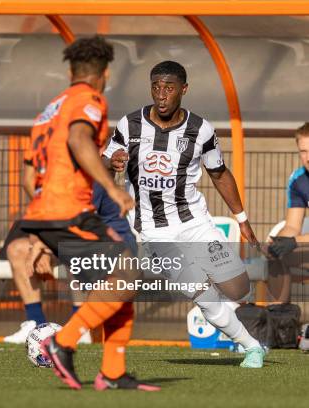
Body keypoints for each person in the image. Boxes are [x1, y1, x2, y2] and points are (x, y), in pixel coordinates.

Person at [13, 35, 158, 391]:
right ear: (104, 73)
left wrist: (40, 232)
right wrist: (112, 189)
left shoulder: (52, 107)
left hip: (44, 212)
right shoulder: (89, 100)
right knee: (129, 272)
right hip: (70, 210)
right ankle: (63, 343)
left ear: (71, 70)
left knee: (121, 281)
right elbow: (80, 140)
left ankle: (112, 372)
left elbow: (28, 173)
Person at [105, 60, 265, 368]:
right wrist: (112, 164)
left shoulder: (200, 129)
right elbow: (103, 164)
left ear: (184, 89)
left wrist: (241, 218)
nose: (161, 95)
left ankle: (227, 314)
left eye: (168, 88)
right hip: (154, 233)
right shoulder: (129, 125)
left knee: (238, 288)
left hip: (195, 224)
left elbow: (218, 172)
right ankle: (252, 346)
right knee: (201, 292)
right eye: (156, 87)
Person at [1, 159, 138, 344]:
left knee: (73, 248)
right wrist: (37, 247)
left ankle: (80, 327)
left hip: (114, 244)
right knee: (17, 249)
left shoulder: (88, 177)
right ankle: (36, 325)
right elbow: (39, 219)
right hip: (76, 238)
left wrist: (46, 250)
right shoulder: (51, 181)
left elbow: (77, 223)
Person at [266, 122, 309, 302]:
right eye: (303, 151)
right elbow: (292, 226)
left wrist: (293, 241)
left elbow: (296, 238)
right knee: (276, 260)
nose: (308, 157)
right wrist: (279, 242)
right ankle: (280, 320)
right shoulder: (298, 179)